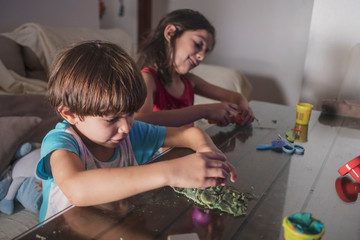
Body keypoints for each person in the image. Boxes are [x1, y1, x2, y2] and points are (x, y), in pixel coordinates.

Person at [35, 41, 236, 222]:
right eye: (111, 119)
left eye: (130, 113)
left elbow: (190, 134)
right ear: (69, 114)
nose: (126, 127)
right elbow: (77, 190)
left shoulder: (132, 132)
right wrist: (172, 171)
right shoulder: (61, 143)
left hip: (117, 222)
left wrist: (209, 154)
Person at [135, 9, 255, 127]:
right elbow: (139, 122)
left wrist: (243, 109)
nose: (201, 56)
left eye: (205, 52)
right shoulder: (148, 79)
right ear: (170, 33)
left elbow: (235, 97)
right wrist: (205, 110)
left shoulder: (189, 81)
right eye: (198, 44)